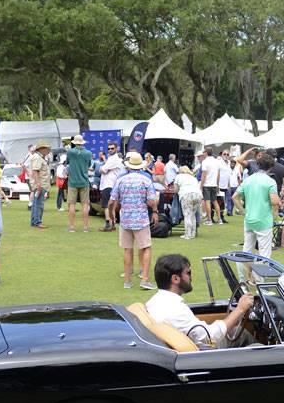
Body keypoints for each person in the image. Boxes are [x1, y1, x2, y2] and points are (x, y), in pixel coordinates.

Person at [146, 255, 256, 349]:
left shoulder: (153, 302)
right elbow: (211, 337)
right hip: (204, 354)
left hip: (190, 347)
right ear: (175, 279)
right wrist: (240, 309)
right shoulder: (176, 310)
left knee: (240, 333)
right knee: (258, 348)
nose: (191, 276)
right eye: (188, 273)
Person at [109, 152, 159, 290]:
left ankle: (127, 280)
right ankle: (145, 279)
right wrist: (155, 211)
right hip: (141, 218)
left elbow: (112, 200)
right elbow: (151, 201)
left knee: (127, 249)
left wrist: (111, 214)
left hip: (125, 218)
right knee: (146, 247)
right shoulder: (146, 180)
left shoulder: (120, 180)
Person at [233, 151, 280, 258]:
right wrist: (274, 215)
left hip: (249, 219)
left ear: (258, 164)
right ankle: (259, 275)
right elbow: (274, 202)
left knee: (247, 250)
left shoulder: (248, 180)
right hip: (264, 221)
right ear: (271, 167)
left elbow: (234, 197)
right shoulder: (270, 182)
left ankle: (244, 275)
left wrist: (243, 212)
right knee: (264, 253)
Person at [65, 134, 93, 232]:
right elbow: (89, 164)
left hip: (72, 182)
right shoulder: (88, 153)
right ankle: (85, 227)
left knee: (71, 204)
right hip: (84, 181)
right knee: (85, 204)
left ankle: (71, 227)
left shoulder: (70, 152)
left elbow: (67, 162)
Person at [26, 141, 52, 229]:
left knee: (36, 203)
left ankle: (34, 221)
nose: (48, 150)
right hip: (40, 184)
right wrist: (38, 184)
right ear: (41, 149)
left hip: (40, 184)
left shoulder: (39, 157)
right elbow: (35, 171)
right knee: (39, 204)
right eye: (47, 149)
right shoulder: (37, 157)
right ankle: (37, 222)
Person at [173, 165, 202, 240]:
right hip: (198, 195)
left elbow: (175, 190)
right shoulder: (193, 177)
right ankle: (193, 233)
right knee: (193, 215)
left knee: (187, 215)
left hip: (186, 194)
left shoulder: (178, 176)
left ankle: (187, 234)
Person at [99, 141, 123, 231]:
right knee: (112, 206)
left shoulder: (113, 159)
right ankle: (112, 224)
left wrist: (103, 168)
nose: (110, 150)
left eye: (112, 148)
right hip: (112, 184)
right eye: (109, 148)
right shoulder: (112, 158)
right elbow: (104, 170)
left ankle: (108, 224)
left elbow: (102, 169)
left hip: (108, 184)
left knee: (106, 206)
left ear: (116, 149)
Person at [199, 147, 221, 225]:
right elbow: (218, 175)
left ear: (206, 153)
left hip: (207, 184)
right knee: (215, 201)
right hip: (214, 184)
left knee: (207, 201)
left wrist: (201, 185)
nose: (203, 154)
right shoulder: (217, 161)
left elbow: (204, 175)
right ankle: (219, 219)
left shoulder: (205, 162)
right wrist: (217, 184)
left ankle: (209, 220)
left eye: (204, 152)